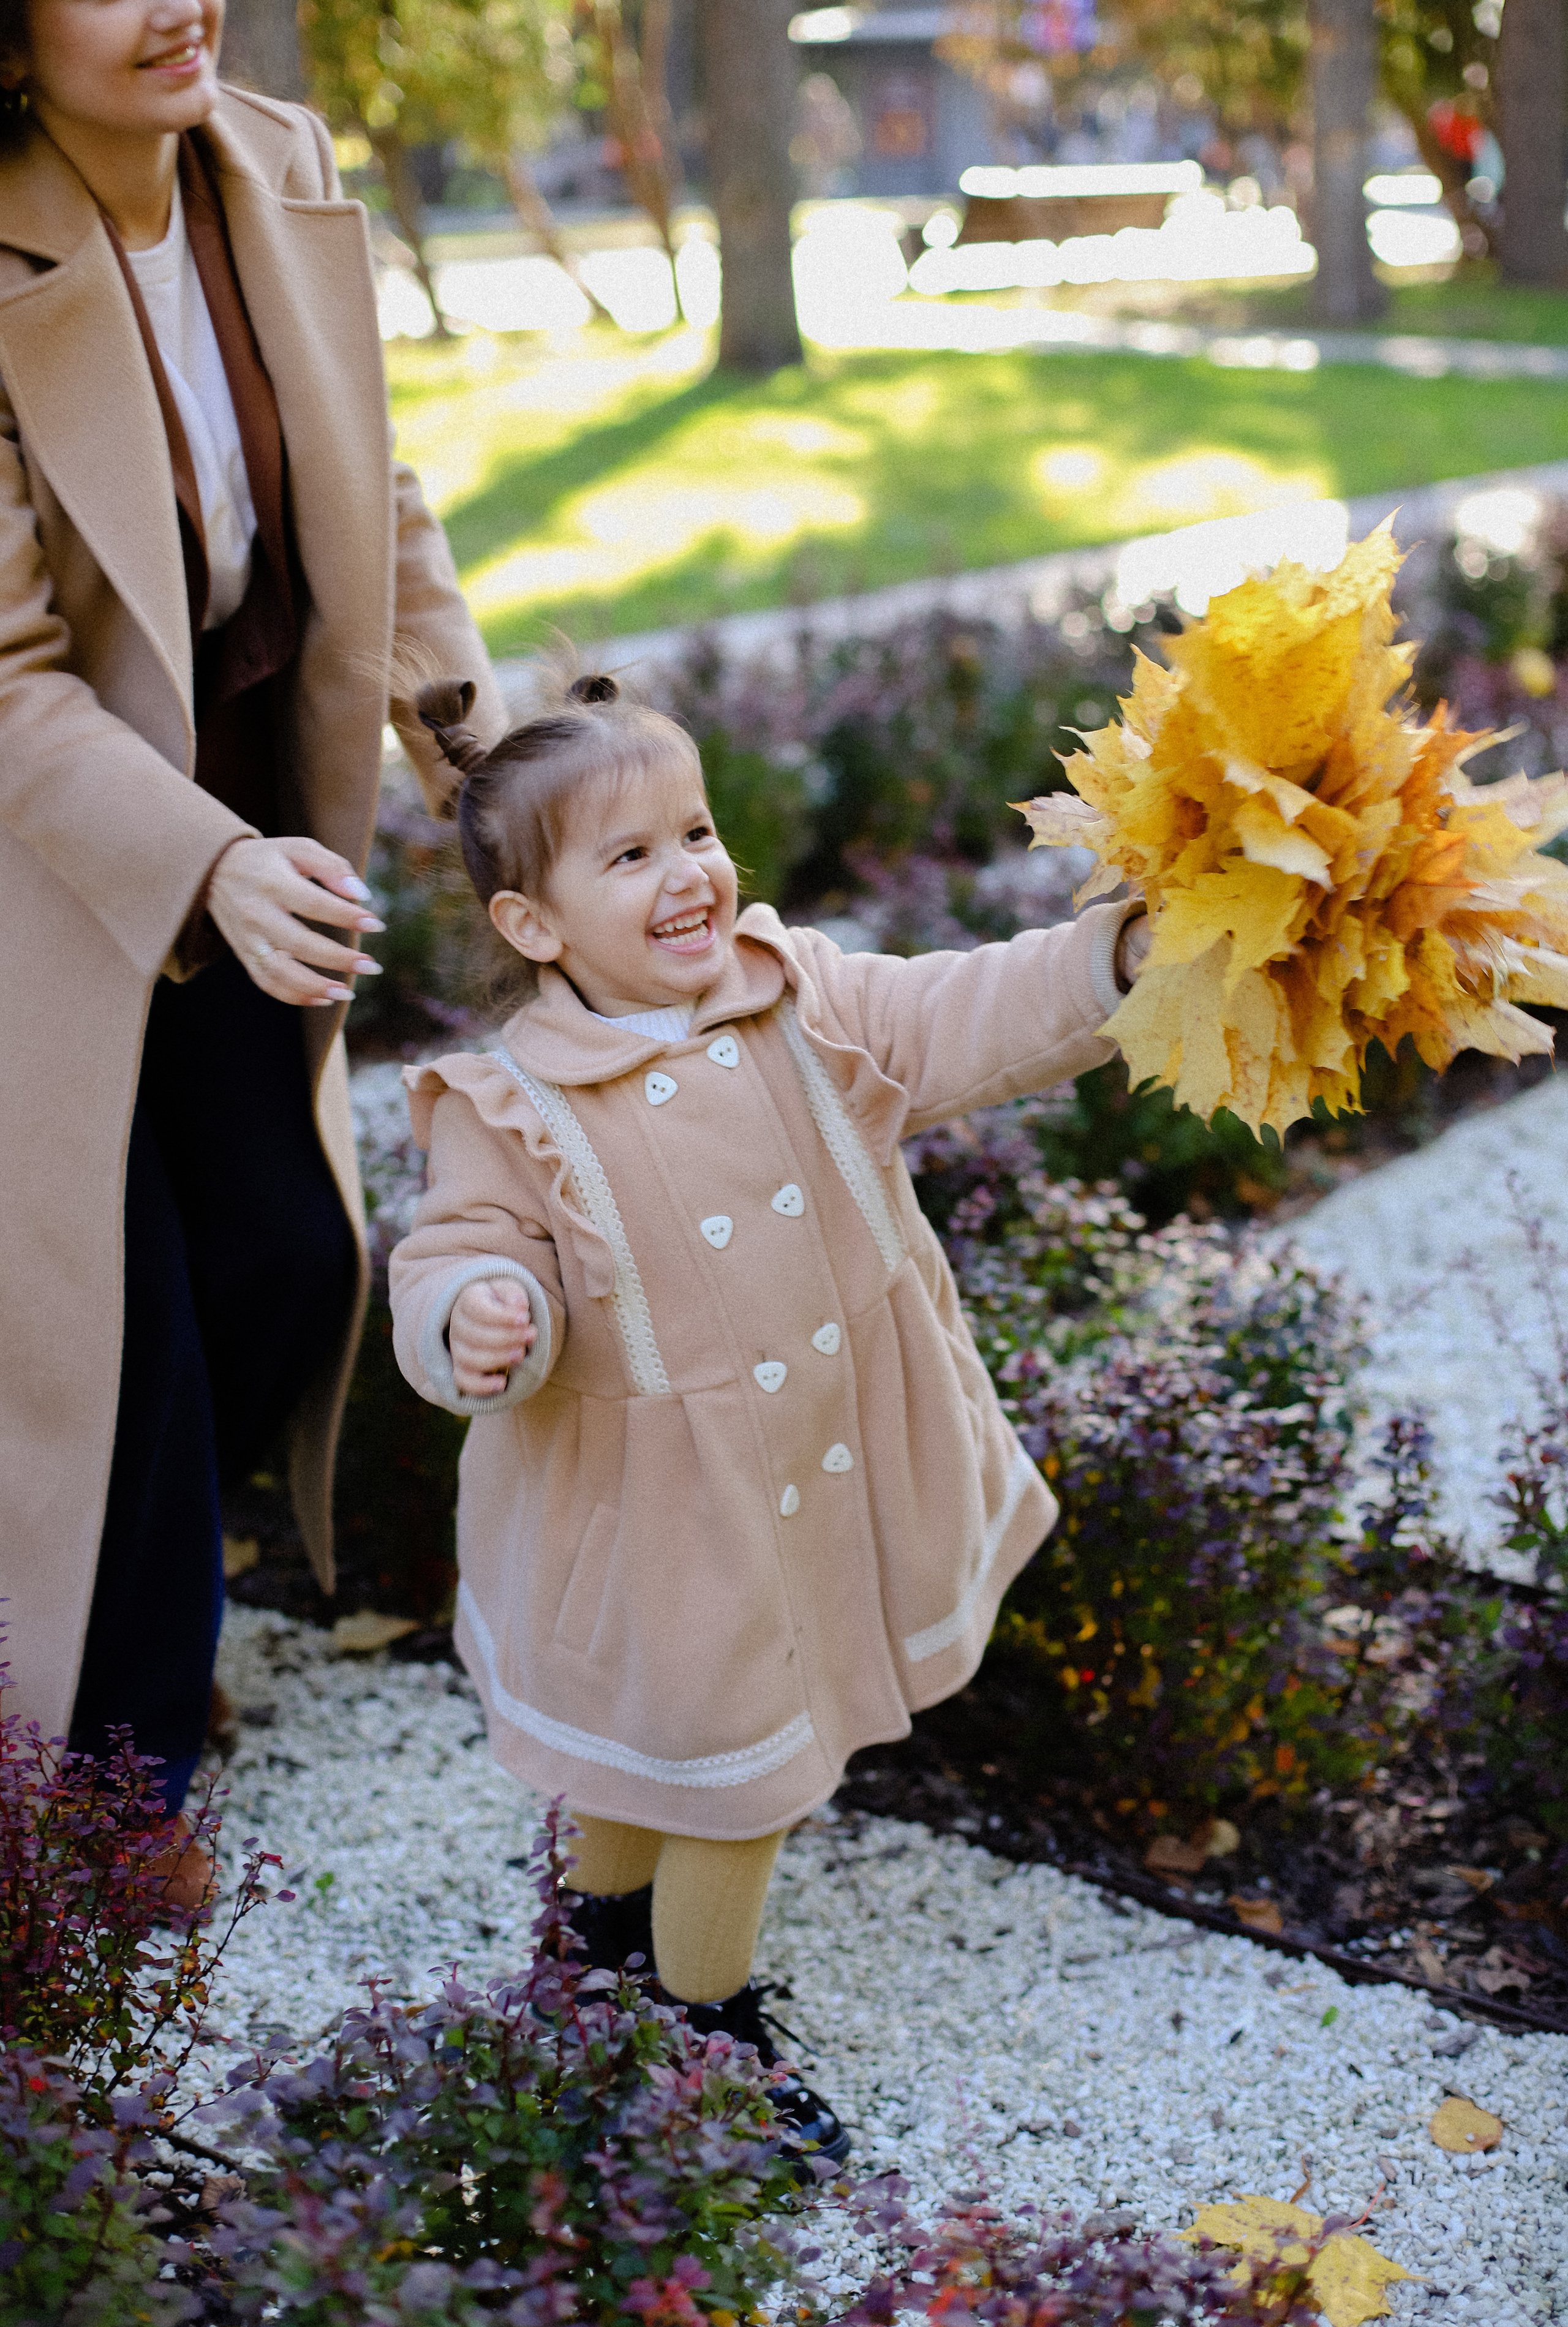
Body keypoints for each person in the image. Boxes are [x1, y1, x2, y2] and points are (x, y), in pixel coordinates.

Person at [388, 663, 1151, 2163]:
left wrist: (1115, 961)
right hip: (661, 1522)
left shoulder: (801, 996)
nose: (687, 874)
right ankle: (698, 2033)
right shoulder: (515, 1105)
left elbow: (968, 1006)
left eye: (694, 831)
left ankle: (596, 1941)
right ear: (533, 929)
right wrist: (479, 1319)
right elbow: (459, 1253)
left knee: (685, 1748)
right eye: (630, 856)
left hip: (815, 1466)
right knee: (733, 1781)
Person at [0, 0, 506, 1903]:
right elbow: (9, 675)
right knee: (97, 1322)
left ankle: (115, 1615)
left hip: (236, 809)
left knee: (287, 1253)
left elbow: (377, 492)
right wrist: (207, 863)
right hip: (43, 859)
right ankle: (106, 1798)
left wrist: (482, 753)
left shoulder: (275, 165)